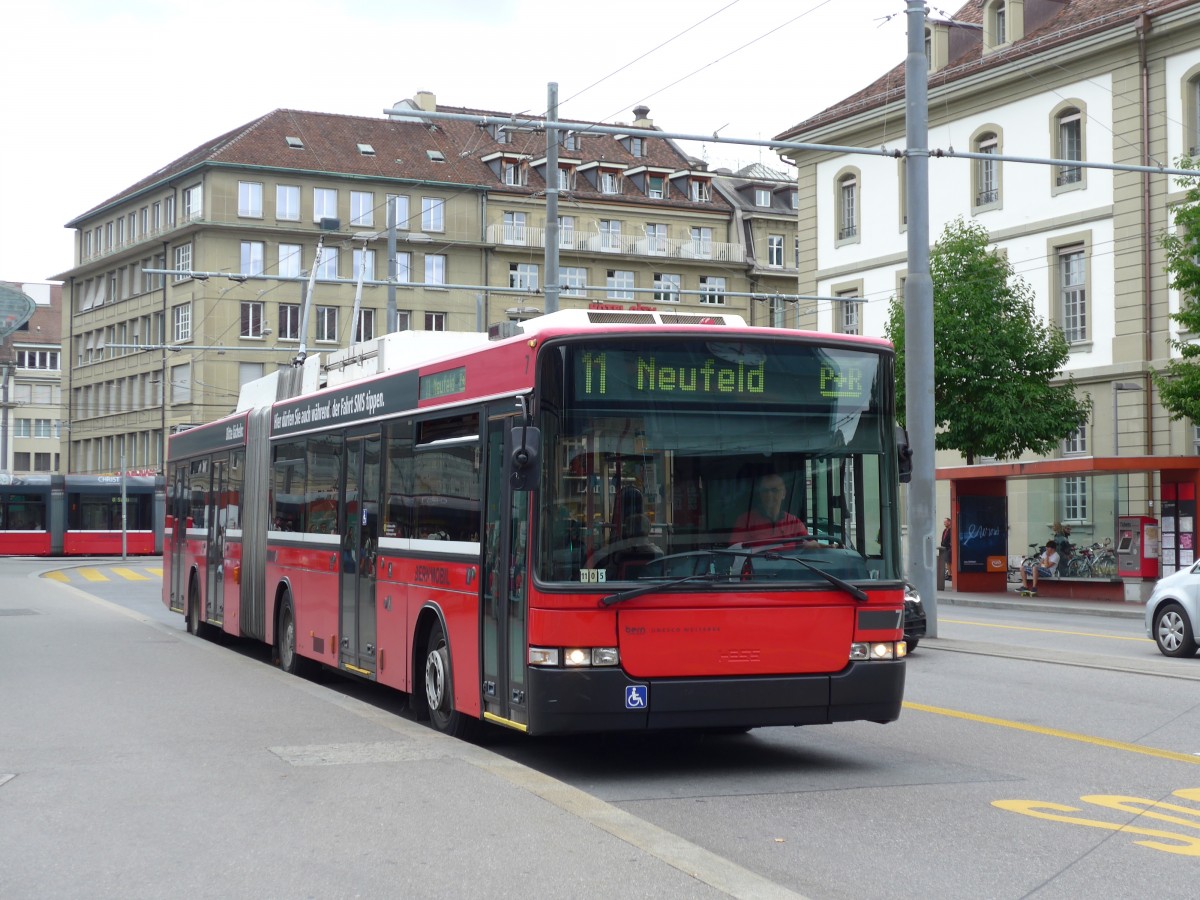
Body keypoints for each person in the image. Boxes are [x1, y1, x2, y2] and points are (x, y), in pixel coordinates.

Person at [730, 472, 810, 544]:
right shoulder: (745, 521)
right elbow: (735, 552)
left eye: (774, 490)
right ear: (760, 494)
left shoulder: (794, 522)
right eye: (765, 490)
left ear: (784, 494)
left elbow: (809, 545)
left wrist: (811, 545)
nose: (769, 495)